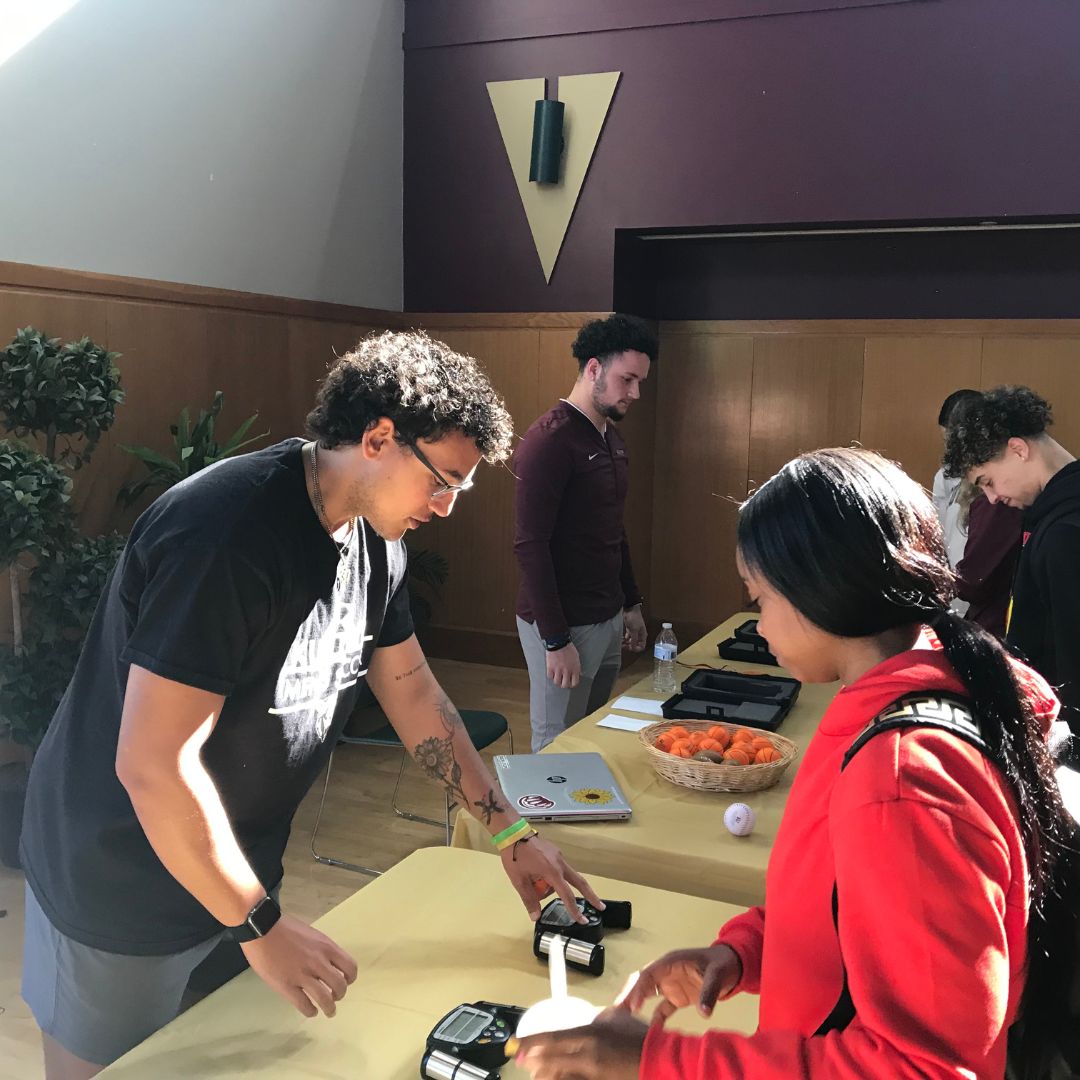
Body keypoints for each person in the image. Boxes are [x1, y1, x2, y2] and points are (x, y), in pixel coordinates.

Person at [19, 330, 601, 1080]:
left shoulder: (378, 539)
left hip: (238, 874)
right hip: (118, 881)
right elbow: (154, 765)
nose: (448, 507)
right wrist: (258, 924)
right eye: (441, 481)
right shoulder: (225, 536)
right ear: (378, 438)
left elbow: (413, 691)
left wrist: (510, 833)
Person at [513, 447, 1071, 1079]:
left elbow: (926, 1067)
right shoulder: (903, 701)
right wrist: (746, 951)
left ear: (817, 592)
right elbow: (849, 904)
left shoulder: (904, 779)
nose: (760, 623)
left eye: (760, 597)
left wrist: (656, 1060)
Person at [513, 314, 655, 752]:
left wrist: (630, 603)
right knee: (557, 741)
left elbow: (613, 528)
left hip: (607, 616)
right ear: (593, 369)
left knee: (590, 734)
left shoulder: (610, 438)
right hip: (562, 624)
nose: (634, 393)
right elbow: (530, 546)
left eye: (639, 381)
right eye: (626, 379)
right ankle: (548, 824)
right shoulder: (548, 442)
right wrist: (555, 640)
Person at [944, 384, 1080, 760]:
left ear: (1018, 450)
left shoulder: (1066, 532)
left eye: (987, 481)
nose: (991, 498)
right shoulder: (1050, 516)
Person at [931, 388, 981, 613]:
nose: (952, 451)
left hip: (979, 589)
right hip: (951, 584)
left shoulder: (997, 486)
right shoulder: (945, 475)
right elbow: (937, 531)